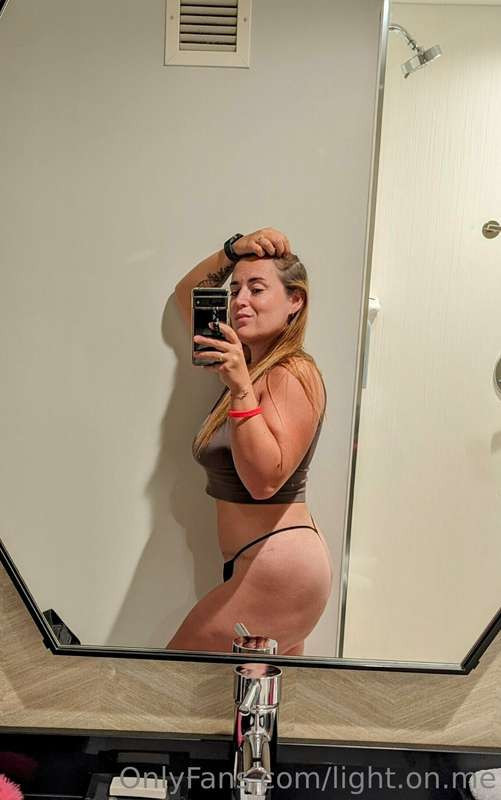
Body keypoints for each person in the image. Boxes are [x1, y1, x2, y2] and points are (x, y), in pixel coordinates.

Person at [168, 228, 333, 656]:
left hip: (279, 567)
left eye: (257, 289)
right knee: (252, 699)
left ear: (295, 301)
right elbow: (187, 294)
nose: (240, 300)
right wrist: (234, 249)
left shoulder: (291, 373)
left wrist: (241, 388)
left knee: (164, 681)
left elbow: (264, 482)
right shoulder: (248, 363)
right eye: (235, 289)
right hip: (259, 565)